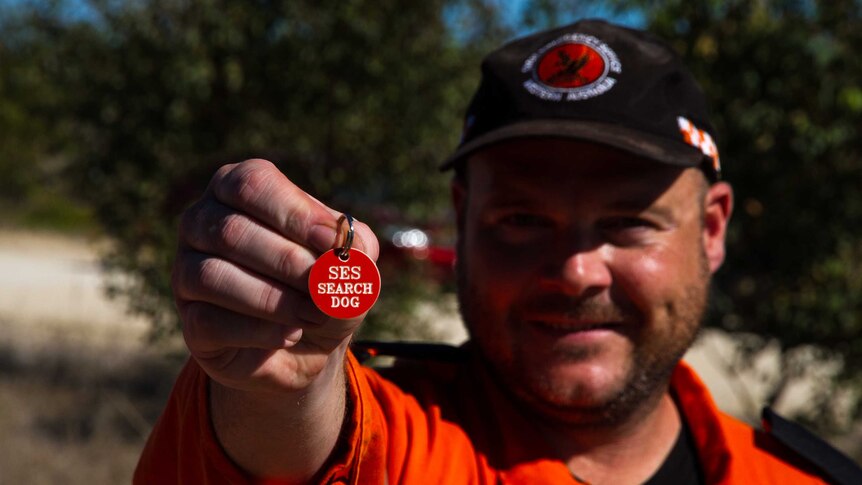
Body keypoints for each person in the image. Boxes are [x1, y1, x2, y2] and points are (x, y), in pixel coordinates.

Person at [135, 19, 862, 484]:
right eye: (521, 218)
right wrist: (277, 385)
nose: (576, 269)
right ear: (464, 217)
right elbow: (299, 447)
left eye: (629, 221)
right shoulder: (396, 441)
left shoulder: (796, 477)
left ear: (711, 229)